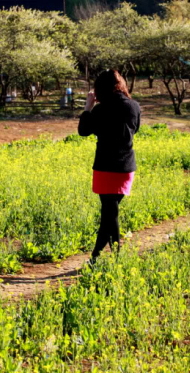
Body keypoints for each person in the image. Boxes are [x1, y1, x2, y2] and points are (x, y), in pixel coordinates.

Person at [78, 70, 141, 263]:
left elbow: (83, 131)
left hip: (105, 168)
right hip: (125, 167)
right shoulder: (134, 106)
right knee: (110, 213)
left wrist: (88, 107)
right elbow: (135, 129)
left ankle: (101, 255)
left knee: (109, 213)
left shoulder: (100, 110)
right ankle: (105, 256)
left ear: (100, 89)